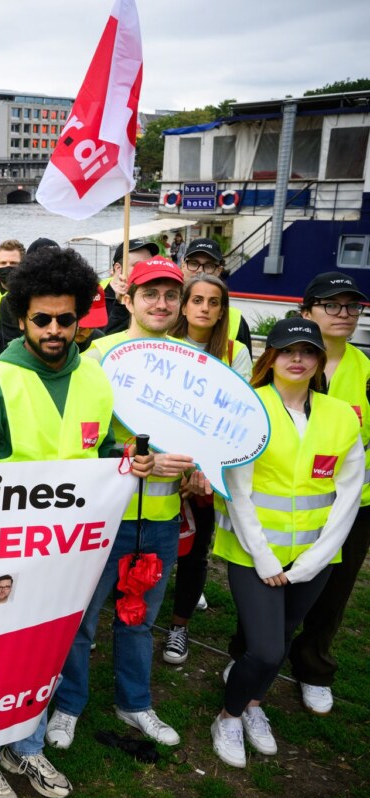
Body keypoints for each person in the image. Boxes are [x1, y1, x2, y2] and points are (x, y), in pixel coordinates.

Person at [0, 246, 156, 798]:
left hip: (74, 558)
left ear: (81, 316)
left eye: (67, 318)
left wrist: (127, 459)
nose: (55, 329)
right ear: (21, 317)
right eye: (43, 318)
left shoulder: (94, 380)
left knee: (55, 650)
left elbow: (103, 449)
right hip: (5, 557)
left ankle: (28, 740)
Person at [46, 255, 202, 754]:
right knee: (82, 619)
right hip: (103, 518)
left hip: (159, 520)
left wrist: (202, 469)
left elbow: (207, 438)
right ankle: (68, 704)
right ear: (126, 298)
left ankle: (134, 703)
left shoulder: (196, 363)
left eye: (171, 294)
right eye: (150, 293)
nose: (161, 303)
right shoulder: (95, 358)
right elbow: (78, 442)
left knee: (140, 620)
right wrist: (130, 460)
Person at [210, 318, 362, 768]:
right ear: (270, 358)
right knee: (267, 648)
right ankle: (229, 715)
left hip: (315, 558)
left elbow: (348, 493)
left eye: (308, 351)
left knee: (285, 633)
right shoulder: (250, 409)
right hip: (253, 554)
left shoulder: (341, 417)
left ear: (319, 361)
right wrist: (264, 557)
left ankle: (254, 705)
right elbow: (239, 492)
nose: (298, 359)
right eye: (287, 350)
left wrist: (314, 561)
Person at [160, 274, 252, 665]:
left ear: (222, 311)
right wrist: (174, 465)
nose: (204, 308)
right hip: (163, 466)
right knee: (146, 544)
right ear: (184, 305)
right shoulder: (163, 347)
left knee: (195, 552)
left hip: (205, 474)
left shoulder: (236, 353)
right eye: (196, 299)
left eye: (213, 302)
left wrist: (203, 470)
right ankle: (131, 613)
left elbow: (239, 419)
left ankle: (179, 626)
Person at [179, 237, 253, 353]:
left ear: (219, 270)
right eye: (193, 263)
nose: (200, 271)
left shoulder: (236, 321)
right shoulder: (164, 310)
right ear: (183, 265)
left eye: (208, 266)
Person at [101, 239, 158, 335]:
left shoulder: (155, 297)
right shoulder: (95, 298)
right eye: (138, 266)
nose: (146, 271)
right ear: (118, 268)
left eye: (149, 265)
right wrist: (120, 305)